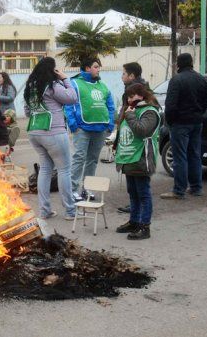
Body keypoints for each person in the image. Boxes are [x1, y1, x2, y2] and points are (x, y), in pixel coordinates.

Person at [24, 57, 79, 220]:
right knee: (64, 170)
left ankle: (44, 210)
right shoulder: (51, 85)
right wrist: (65, 78)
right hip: (53, 131)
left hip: (34, 132)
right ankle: (70, 211)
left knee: (45, 170)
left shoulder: (31, 87)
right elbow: (72, 97)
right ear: (52, 70)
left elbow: (27, 112)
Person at [114, 83, 161, 240]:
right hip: (128, 157)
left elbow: (142, 130)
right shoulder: (131, 110)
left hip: (142, 157)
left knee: (143, 194)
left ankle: (144, 227)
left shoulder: (150, 111)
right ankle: (134, 221)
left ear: (142, 95)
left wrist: (130, 116)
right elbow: (123, 131)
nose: (130, 99)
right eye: (128, 96)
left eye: (133, 95)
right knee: (132, 193)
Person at [65, 57, 116, 202]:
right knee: (79, 158)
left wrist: (110, 123)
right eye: (96, 66)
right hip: (82, 128)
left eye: (98, 67)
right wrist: (73, 123)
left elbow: (110, 105)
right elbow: (68, 104)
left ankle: (87, 189)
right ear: (87, 68)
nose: (98, 69)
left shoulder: (102, 86)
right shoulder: (75, 83)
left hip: (100, 128)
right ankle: (73, 189)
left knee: (92, 159)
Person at [161, 53, 207, 199]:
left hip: (180, 123)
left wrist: (170, 121)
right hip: (196, 122)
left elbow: (170, 106)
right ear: (192, 63)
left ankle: (179, 190)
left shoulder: (176, 80)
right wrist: (198, 114)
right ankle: (196, 187)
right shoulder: (201, 79)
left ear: (178, 64)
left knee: (180, 156)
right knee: (194, 154)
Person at [117, 62, 149, 213]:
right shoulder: (130, 91)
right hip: (128, 144)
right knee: (132, 186)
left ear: (132, 76)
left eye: (124, 73)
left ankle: (143, 221)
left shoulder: (141, 98)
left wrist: (127, 116)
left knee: (141, 189)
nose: (121, 76)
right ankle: (135, 217)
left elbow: (141, 127)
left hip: (138, 148)